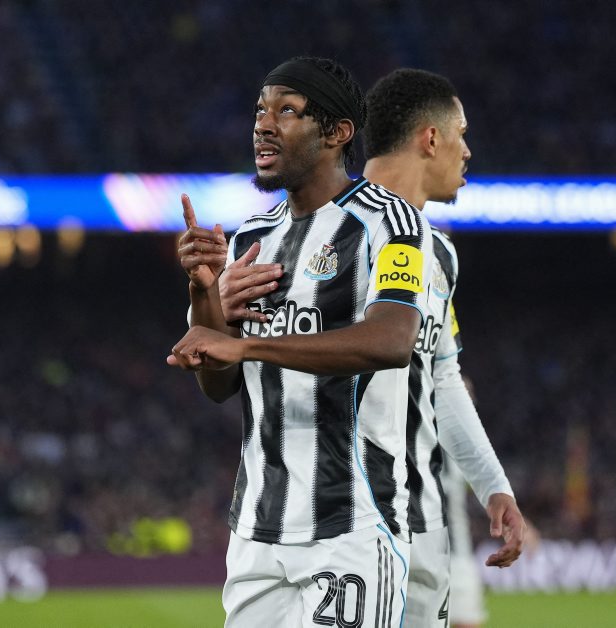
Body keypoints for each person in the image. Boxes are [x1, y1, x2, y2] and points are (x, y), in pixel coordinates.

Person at [216, 68, 526, 627]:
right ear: (430, 137)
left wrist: (492, 484)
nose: (468, 152)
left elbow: (440, 377)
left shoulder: (435, 253)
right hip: (339, 517)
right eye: (461, 134)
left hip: (411, 516)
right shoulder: (306, 230)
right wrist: (214, 309)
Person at [168, 56, 435, 628]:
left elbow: (392, 341)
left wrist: (249, 346)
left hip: (351, 524)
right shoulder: (253, 236)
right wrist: (204, 293)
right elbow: (219, 385)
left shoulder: (391, 223)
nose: (263, 125)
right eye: (259, 111)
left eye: (286, 111)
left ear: (338, 133)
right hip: (257, 531)